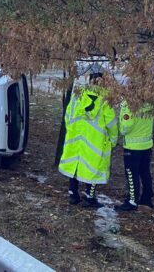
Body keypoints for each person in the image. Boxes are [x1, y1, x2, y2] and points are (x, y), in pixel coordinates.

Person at [59, 73, 118, 208]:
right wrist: (113, 140)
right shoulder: (104, 99)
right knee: (93, 169)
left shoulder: (77, 95)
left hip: (75, 138)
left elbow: (68, 115)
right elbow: (111, 123)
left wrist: (72, 130)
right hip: (94, 141)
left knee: (74, 165)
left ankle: (73, 194)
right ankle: (89, 198)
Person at [115, 102, 154, 211]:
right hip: (146, 145)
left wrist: (121, 122)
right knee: (145, 172)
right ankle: (147, 198)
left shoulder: (129, 104)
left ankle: (132, 201)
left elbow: (125, 128)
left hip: (132, 147)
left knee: (131, 174)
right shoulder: (150, 102)